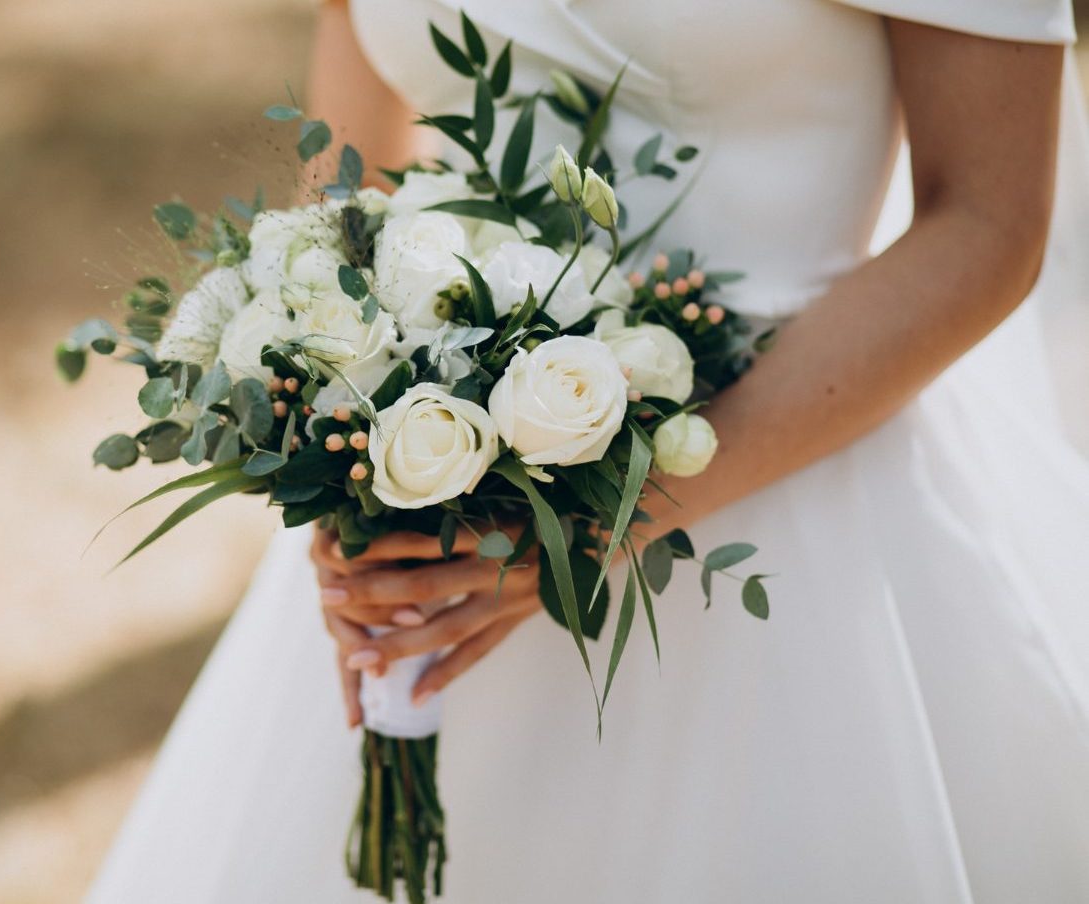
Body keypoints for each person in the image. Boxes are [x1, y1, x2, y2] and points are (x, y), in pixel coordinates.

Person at [89, 1, 1089, 900]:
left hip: (800, 523)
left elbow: (989, 222)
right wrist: (349, 456)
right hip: (447, 518)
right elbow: (353, 194)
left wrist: (601, 518)